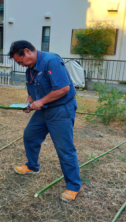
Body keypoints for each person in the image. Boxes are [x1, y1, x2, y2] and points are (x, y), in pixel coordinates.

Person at [8, 40, 81, 202]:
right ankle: (32, 166)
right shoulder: (30, 69)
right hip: (44, 110)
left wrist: (40, 102)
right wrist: (29, 102)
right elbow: (32, 90)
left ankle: (73, 186)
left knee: (64, 148)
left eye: (20, 61)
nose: (20, 65)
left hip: (61, 110)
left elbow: (63, 88)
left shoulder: (51, 61)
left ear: (27, 51)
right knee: (30, 135)